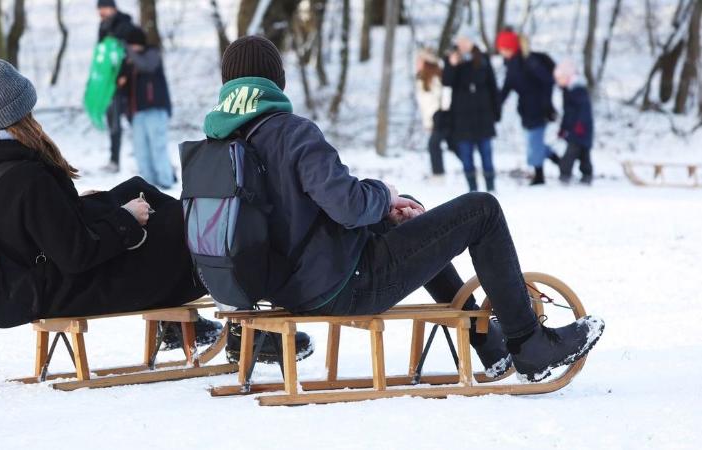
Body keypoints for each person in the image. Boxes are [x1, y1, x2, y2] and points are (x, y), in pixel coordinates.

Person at [204, 36, 605, 381]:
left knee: (404, 217)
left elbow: (295, 214)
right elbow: (347, 205)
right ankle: (529, 343)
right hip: (343, 287)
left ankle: (488, 343)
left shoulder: (220, 145)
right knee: (482, 210)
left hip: (288, 288)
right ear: (278, 80)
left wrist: (386, 209)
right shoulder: (292, 133)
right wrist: (383, 191)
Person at [0, 59, 316, 360]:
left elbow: (26, 229)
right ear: (18, 114)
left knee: (138, 188)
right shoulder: (27, 177)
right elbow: (76, 255)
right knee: (186, 229)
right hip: (63, 289)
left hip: (33, 280)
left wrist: (85, 206)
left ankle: (178, 324)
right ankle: (246, 332)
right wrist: (125, 220)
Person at [496, 29, 560, 186]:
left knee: (534, 143)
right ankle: (562, 161)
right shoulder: (512, 65)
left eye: (502, 48)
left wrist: (547, 105)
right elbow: (507, 87)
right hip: (526, 110)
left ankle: (539, 176)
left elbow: (548, 81)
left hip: (539, 109)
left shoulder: (529, 61)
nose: (500, 51)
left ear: (509, 48)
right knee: (534, 143)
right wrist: (495, 104)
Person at [119, 27, 176, 189]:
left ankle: (165, 182)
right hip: (137, 113)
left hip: (155, 109)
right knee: (141, 151)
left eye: (131, 45)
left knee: (158, 147)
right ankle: (149, 186)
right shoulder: (129, 60)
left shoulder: (152, 53)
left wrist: (129, 52)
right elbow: (123, 85)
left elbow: (147, 66)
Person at [442, 34, 500, 192]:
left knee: (486, 154)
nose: (462, 44)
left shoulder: (482, 58)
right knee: (466, 156)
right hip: (461, 117)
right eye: (460, 41)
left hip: (483, 115)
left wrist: (496, 111)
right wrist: (452, 65)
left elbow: (492, 86)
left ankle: (491, 187)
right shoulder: (451, 59)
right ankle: (472, 190)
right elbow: (446, 82)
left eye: (465, 41)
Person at [97, 0, 133, 174]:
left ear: (111, 8)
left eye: (102, 8)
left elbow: (128, 53)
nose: (100, 12)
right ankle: (114, 160)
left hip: (123, 84)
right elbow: (101, 54)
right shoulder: (103, 26)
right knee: (113, 121)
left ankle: (146, 157)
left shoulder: (125, 25)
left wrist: (123, 75)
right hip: (106, 84)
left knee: (129, 121)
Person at [554, 60, 594, 185]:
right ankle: (585, 174)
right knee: (581, 152)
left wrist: (581, 125)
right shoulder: (567, 90)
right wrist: (563, 128)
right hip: (573, 128)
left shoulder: (578, 90)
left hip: (582, 128)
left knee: (577, 152)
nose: (557, 81)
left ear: (567, 77)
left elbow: (584, 110)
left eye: (559, 78)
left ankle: (566, 174)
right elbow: (568, 113)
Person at [415, 49, 449, 178]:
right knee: (449, 144)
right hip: (432, 118)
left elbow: (443, 97)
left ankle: (438, 175)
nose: (417, 64)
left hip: (440, 117)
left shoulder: (435, 78)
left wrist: (441, 114)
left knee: (434, 145)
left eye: (419, 61)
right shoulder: (421, 79)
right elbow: (425, 105)